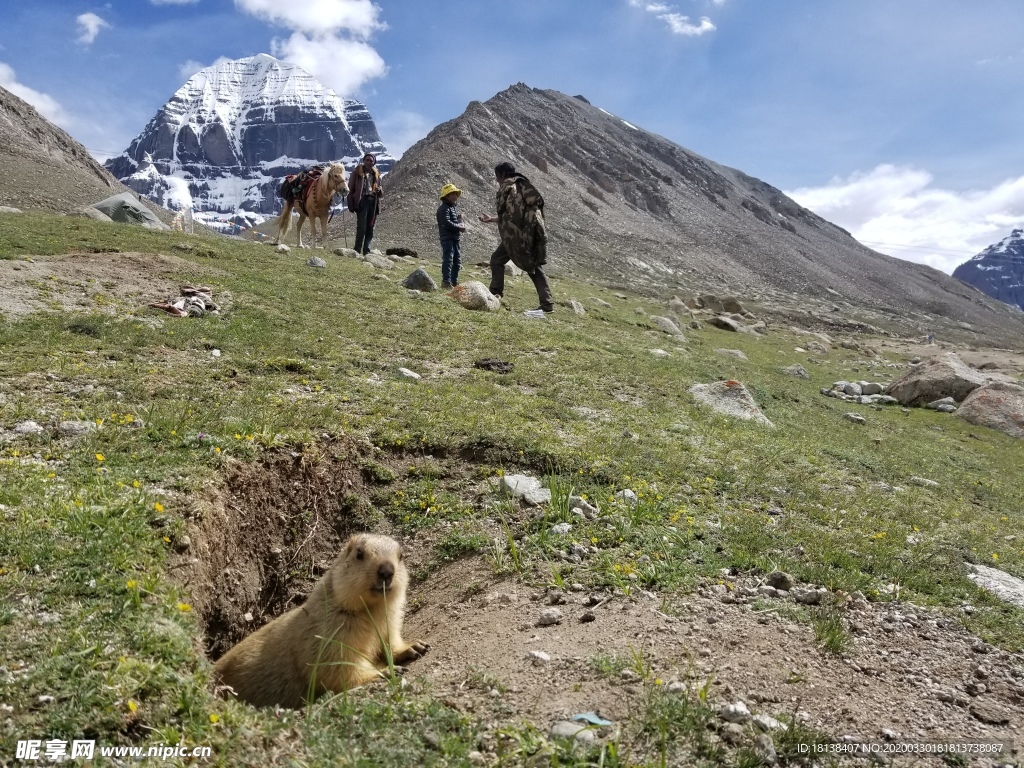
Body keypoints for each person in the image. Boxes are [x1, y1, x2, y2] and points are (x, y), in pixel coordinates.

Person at [478, 161, 554, 313]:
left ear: (502, 174)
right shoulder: (522, 186)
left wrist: (500, 221)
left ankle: (496, 293)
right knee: (522, 264)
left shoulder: (508, 187)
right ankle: (546, 304)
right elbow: (514, 214)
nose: (497, 180)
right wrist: (492, 219)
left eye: (497, 176)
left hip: (516, 236)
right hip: (527, 233)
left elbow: (511, 215)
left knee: (526, 266)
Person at [347, 153, 383, 254]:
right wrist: (351, 204)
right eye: (367, 160)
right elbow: (350, 189)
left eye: (371, 161)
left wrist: (380, 190)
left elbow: (381, 192)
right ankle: (357, 250)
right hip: (362, 201)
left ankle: (366, 250)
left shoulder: (377, 174)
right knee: (362, 227)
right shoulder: (357, 172)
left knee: (370, 227)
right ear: (363, 161)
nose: (368, 162)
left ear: (374, 162)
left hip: (373, 202)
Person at [436, 183, 466, 289]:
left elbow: (451, 222)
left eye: (456, 194)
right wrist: (459, 227)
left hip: (454, 238)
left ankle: (454, 281)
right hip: (447, 238)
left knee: (456, 261)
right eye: (452, 193)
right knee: (448, 259)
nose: (455, 196)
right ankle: (446, 282)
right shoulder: (443, 209)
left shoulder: (450, 208)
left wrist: (459, 219)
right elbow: (446, 223)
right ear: (446, 196)